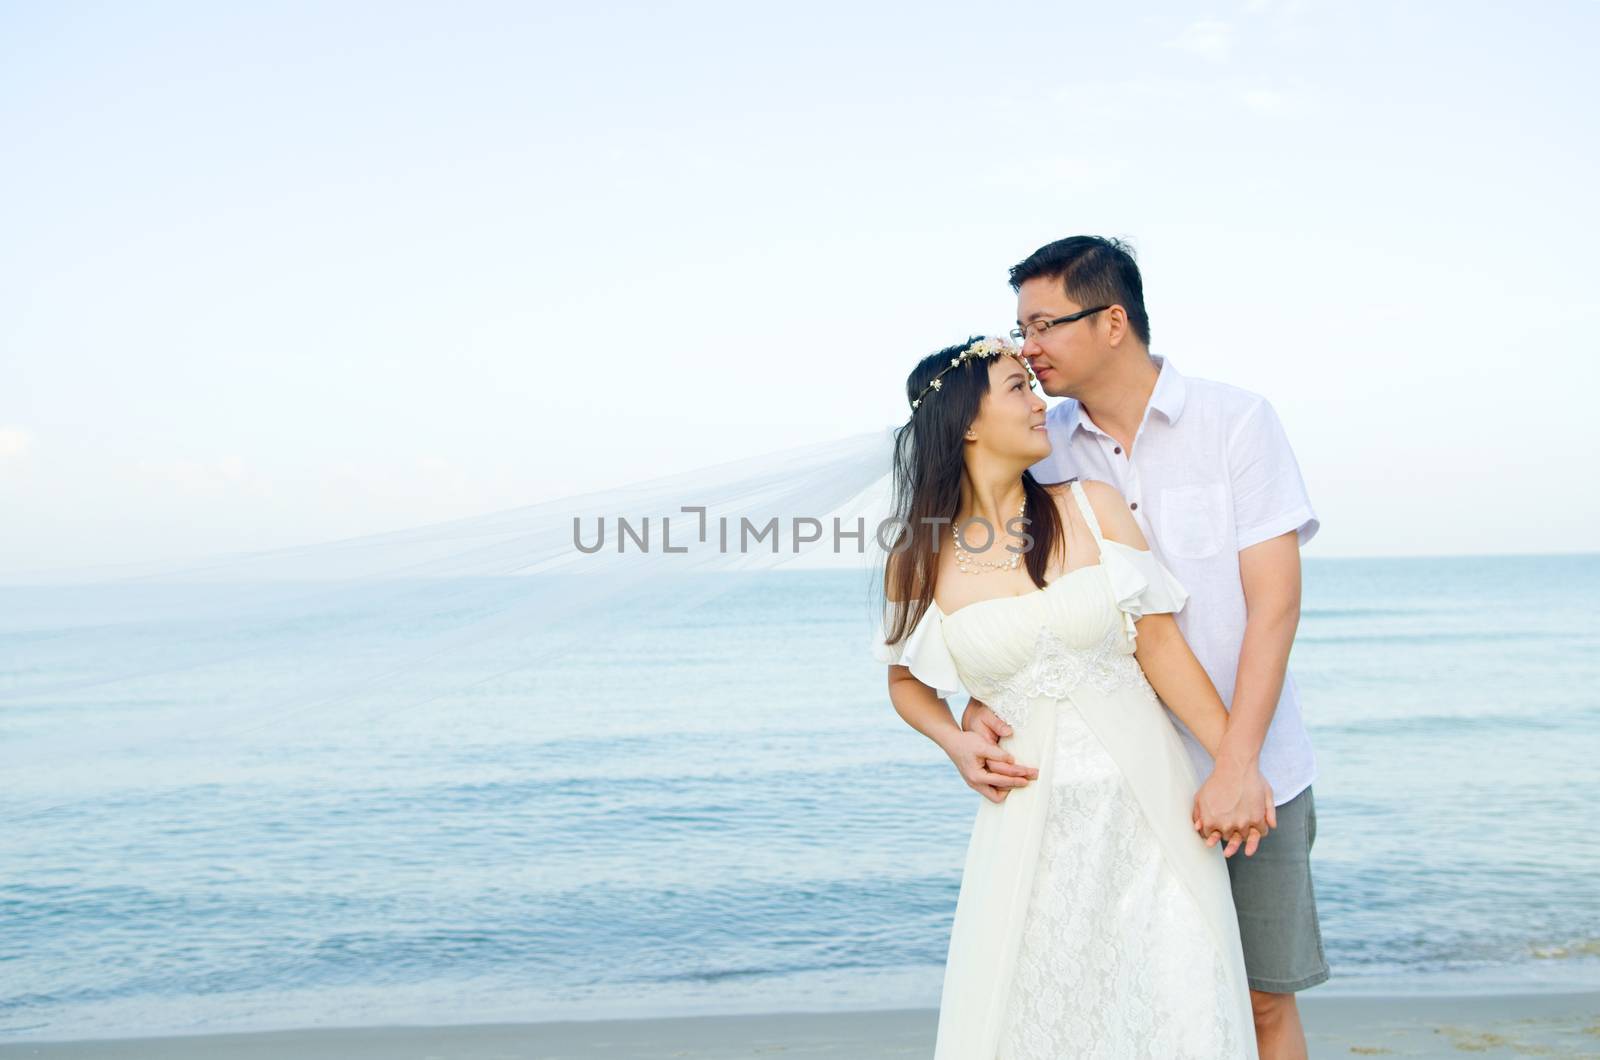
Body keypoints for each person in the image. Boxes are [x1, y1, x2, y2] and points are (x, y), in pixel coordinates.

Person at [962, 235, 1329, 1059]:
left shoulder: (1236, 421)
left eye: (1045, 324)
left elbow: (1275, 609)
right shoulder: (1037, 441)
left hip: (1254, 765)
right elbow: (1005, 588)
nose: (1028, 347)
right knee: (1144, 1004)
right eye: (1021, 328)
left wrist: (1237, 763)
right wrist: (973, 705)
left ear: (1114, 320)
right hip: (1112, 787)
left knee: (1262, 1001)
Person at [875, 335, 1257, 1057]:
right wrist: (955, 738)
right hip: (1030, 825)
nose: (1040, 400)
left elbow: (1162, 648)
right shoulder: (918, 556)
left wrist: (1236, 764)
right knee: (1043, 1018)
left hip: (1153, 811)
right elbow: (903, 681)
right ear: (966, 423)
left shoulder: (1092, 507)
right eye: (1018, 388)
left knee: (1181, 1003)